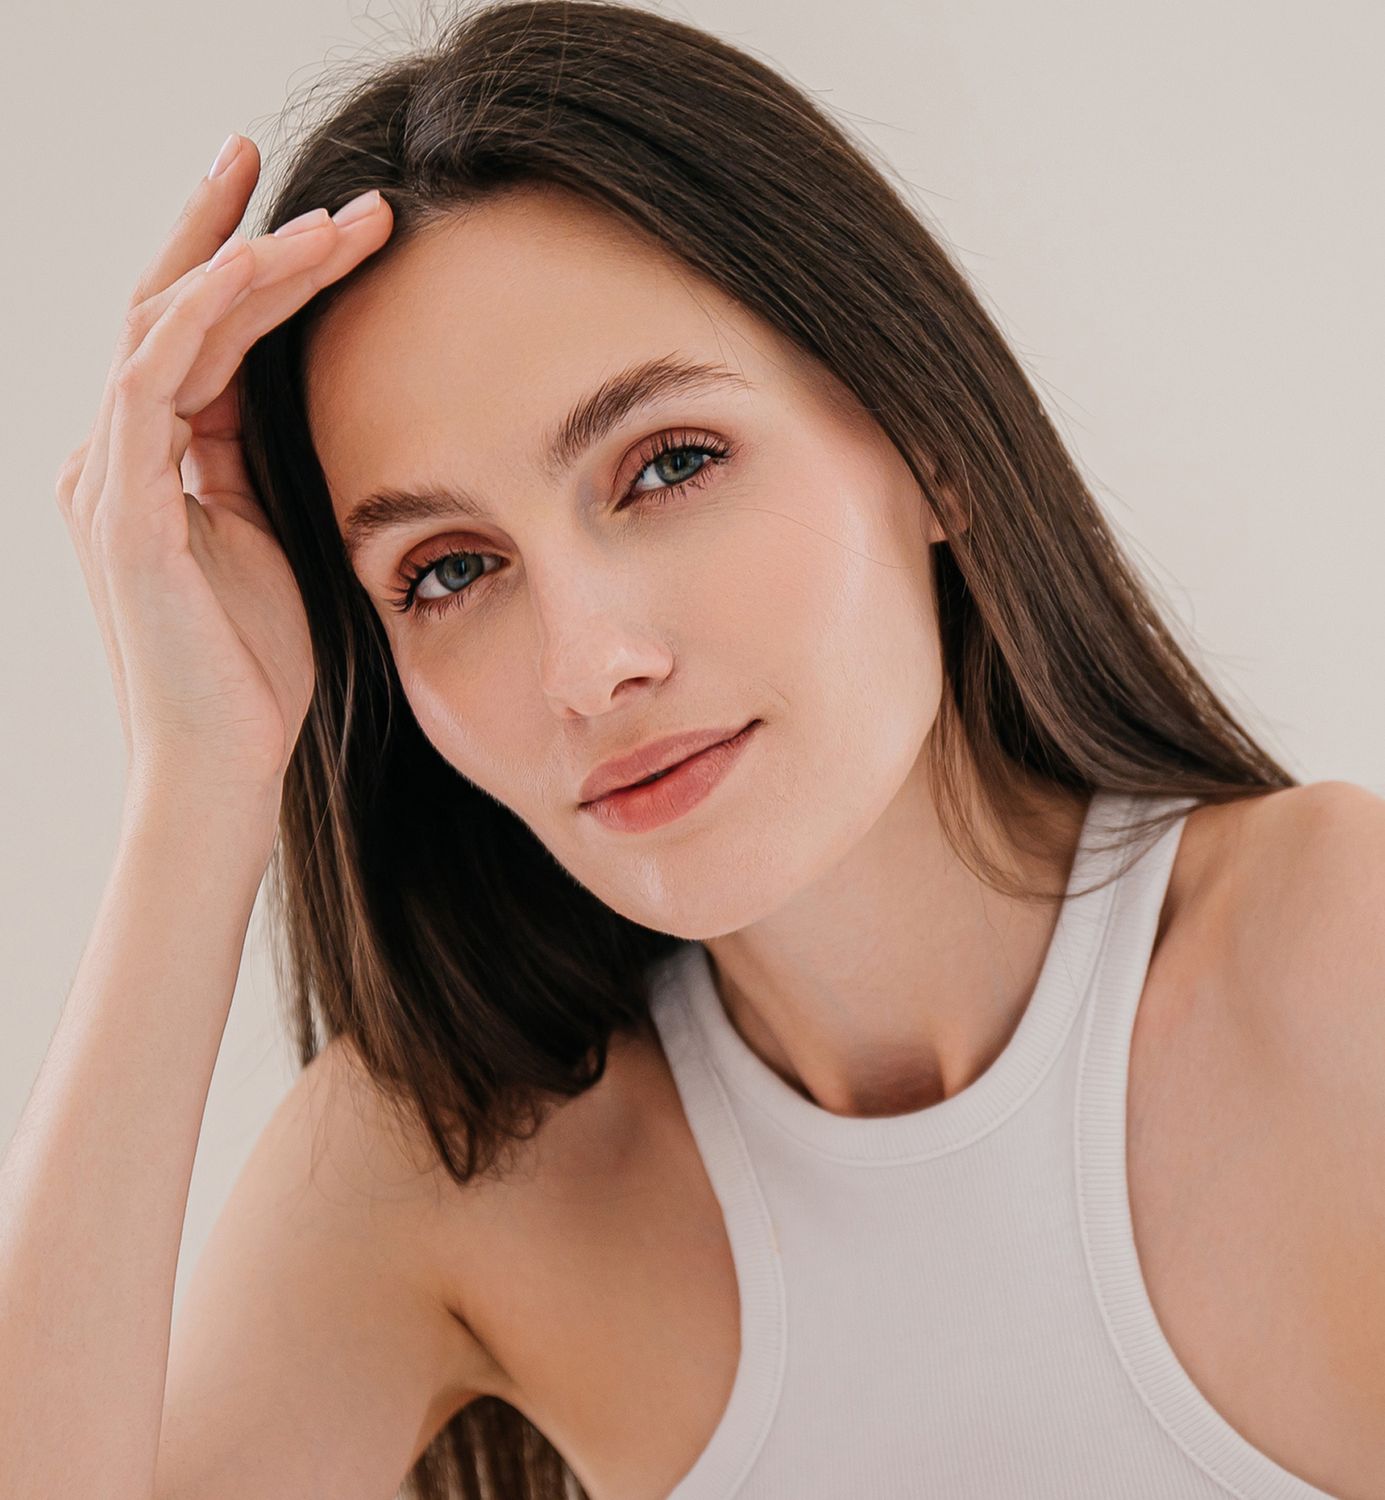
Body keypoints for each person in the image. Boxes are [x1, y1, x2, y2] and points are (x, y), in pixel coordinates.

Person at [6, 1, 1382, 1498]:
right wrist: (196, 790)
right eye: (448, 572)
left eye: (668, 464)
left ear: (930, 441)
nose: (591, 667)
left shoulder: (1333, 962)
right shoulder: (458, 1175)